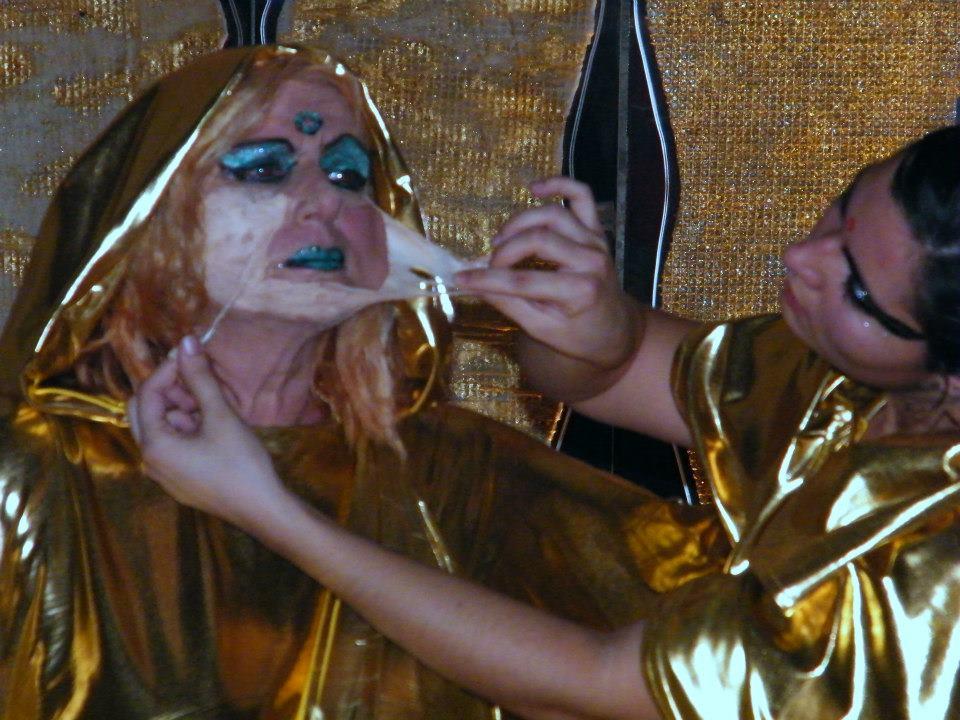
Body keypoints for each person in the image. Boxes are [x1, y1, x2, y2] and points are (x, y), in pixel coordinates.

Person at [131, 124, 960, 720]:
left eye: (857, 289)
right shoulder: (853, 374)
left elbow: (589, 685)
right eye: (842, 209)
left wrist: (272, 513)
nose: (799, 259)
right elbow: (617, 373)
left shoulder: (932, 566)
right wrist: (594, 324)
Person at [0, 45, 678, 720]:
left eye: (349, 175)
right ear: (148, 216)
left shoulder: (467, 474)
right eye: (263, 168)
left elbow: (708, 659)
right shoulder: (30, 466)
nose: (324, 200)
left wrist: (610, 346)